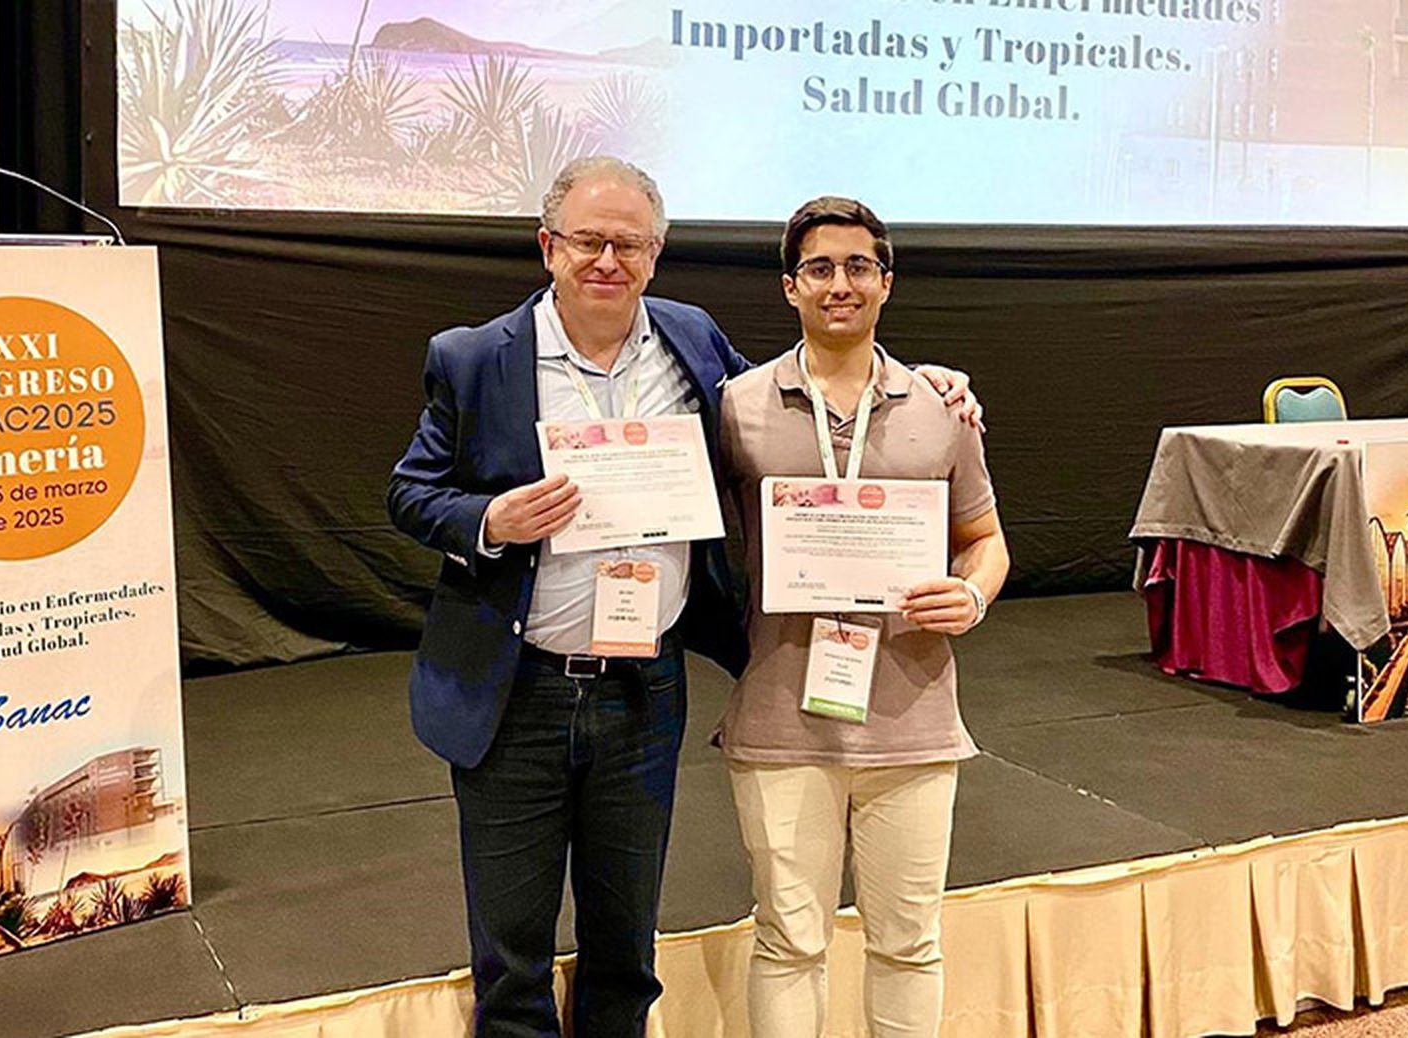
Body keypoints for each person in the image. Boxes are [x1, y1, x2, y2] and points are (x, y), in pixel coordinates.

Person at [387, 158, 979, 1037]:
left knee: (626, 948)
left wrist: (922, 379)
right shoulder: (473, 359)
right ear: (547, 246)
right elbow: (411, 491)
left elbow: (805, 390)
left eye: (629, 244)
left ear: (655, 254)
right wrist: (489, 519)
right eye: (589, 241)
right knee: (511, 957)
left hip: (643, 691)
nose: (608, 260)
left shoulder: (690, 341)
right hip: (516, 691)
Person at [717, 196, 1009, 1038]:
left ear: (886, 282)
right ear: (790, 286)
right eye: (818, 268)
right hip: (779, 720)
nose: (838, 284)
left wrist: (973, 594)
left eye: (857, 266)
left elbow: (986, 540)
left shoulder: (943, 408)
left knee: (909, 945)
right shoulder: (736, 406)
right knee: (787, 943)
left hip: (914, 722)